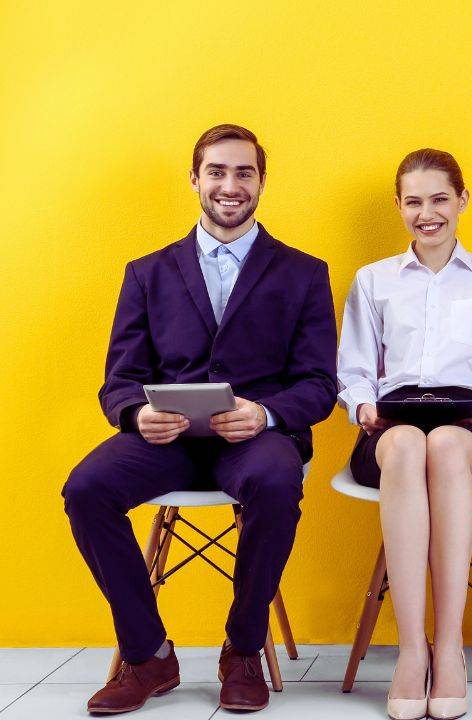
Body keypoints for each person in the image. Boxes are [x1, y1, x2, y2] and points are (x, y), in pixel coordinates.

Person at [62, 124, 338, 714]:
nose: (230, 185)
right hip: (170, 441)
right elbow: (119, 378)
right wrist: (137, 415)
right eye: (217, 171)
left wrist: (265, 413)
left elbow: (320, 385)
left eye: (244, 172)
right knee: (85, 489)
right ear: (195, 179)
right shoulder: (147, 271)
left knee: (272, 480)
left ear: (262, 181)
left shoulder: (304, 272)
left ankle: (242, 648)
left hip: (255, 440)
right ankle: (147, 654)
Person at [337, 148, 472, 720]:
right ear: (399, 207)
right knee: (407, 445)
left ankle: (448, 650)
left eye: (439, 199)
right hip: (392, 423)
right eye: (413, 202)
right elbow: (353, 368)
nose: (427, 213)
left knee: (446, 445)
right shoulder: (373, 280)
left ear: (462, 200)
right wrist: (361, 407)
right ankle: (410, 652)